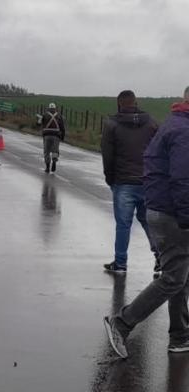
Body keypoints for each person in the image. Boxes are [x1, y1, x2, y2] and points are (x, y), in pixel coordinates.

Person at [104, 86, 189, 358]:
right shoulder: (183, 131)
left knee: (180, 274)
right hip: (173, 213)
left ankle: (179, 336)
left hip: (162, 209)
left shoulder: (172, 123)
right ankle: (122, 322)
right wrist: (187, 218)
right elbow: (182, 179)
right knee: (174, 277)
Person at [101, 90, 158, 273]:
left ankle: (121, 262)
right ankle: (161, 257)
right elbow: (158, 151)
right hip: (147, 181)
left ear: (119, 104)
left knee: (124, 224)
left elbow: (107, 155)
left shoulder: (112, 125)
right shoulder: (151, 123)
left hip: (123, 181)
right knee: (148, 221)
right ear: (136, 102)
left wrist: (110, 178)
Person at [41, 103, 65, 173]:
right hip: (56, 136)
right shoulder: (59, 116)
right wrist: (62, 137)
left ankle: (47, 167)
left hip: (47, 135)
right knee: (55, 150)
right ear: (55, 108)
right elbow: (62, 128)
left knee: (46, 152)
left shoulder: (45, 115)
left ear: (49, 108)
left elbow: (39, 123)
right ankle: (54, 162)